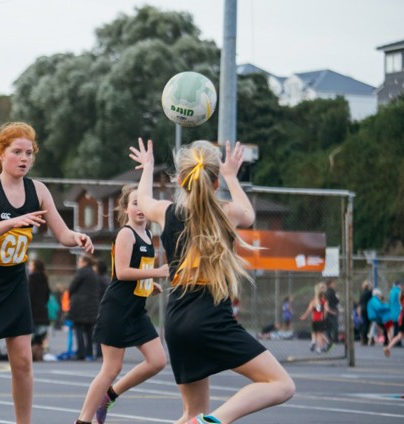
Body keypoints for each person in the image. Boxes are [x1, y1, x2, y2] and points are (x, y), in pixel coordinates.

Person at [131, 139, 295, 424]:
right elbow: (250, 213)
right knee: (281, 385)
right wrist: (232, 175)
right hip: (209, 318)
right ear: (216, 183)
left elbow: (144, 200)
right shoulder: (226, 214)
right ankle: (211, 422)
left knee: (190, 414)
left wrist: (147, 167)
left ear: (180, 180)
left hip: (176, 322)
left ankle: (202, 421)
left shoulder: (167, 213)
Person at [0, 122, 94, 424]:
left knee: (24, 361)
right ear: (2, 154)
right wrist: (12, 221)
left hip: (14, 281)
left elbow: (62, 233)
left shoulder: (38, 190)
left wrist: (77, 237)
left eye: (29, 153)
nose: (24, 158)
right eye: (17, 151)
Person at [75, 184, 169, 424]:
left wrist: (149, 283)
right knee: (111, 369)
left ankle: (110, 395)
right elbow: (123, 271)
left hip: (136, 311)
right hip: (116, 309)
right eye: (134, 203)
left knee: (158, 361)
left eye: (142, 203)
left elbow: (139, 271)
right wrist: (157, 272)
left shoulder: (148, 235)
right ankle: (84, 420)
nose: (139, 208)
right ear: (125, 208)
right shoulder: (126, 234)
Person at [69, 254, 100, 361]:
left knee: (78, 328)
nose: (78, 263)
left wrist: (69, 294)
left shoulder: (82, 272)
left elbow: (72, 287)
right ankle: (89, 352)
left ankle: (80, 352)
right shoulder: (93, 273)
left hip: (80, 305)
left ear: (85, 262)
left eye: (80, 261)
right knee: (89, 330)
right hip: (92, 306)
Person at [28, 259, 50, 362]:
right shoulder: (45, 278)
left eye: (31, 265)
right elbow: (47, 295)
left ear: (35, 267)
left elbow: (29, 294)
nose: (29, 267)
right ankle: (39, 355)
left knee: (31, 334)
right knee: (40, 335)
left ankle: (31, 355)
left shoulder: (31, 278)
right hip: (42, 309)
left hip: (33, 309)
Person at [300, 283, 332, 353]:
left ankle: (317, 344)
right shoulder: (322, 301)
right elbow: (325, 309)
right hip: (319, 319)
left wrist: (304, 316)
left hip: (317, 319)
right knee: (318, 333)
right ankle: (318, 345)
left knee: (317, 333)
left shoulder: (316, 301)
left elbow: (310, 309)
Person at [384, 289, 404, 357]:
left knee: (400, 335)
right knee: (400, 335)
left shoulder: (401, 298)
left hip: (401, 317)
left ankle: (388, 347)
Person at [324, 279, 340, 343]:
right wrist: (337, 298)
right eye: (333, 284)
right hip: (333, 309)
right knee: (335, 325)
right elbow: (336, 301)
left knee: (328, 326)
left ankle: (328, 338)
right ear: (330, 284)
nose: (334, 285)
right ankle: (335, 339)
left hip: (327, 310)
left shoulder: (325, 292)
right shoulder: (332, 292)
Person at [359, 280, 373, 345]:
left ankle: (363, 338)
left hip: (362, 309)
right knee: (367, 324)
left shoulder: (362, 293)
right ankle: (365, 339)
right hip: (367, 309)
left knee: (364, 323)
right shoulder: (369, 293)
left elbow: (360, 302)